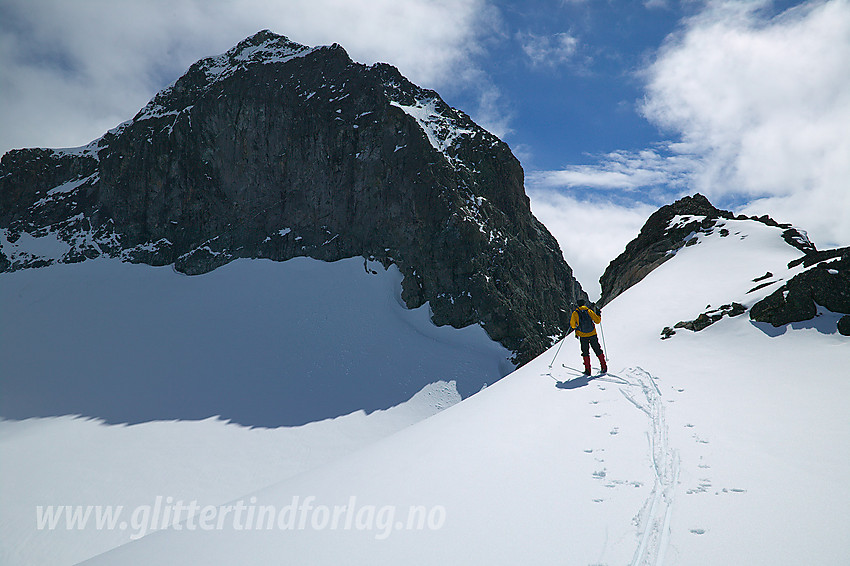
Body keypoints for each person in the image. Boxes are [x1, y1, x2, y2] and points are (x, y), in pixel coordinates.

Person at [570, 299, 607, 375]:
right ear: (584, 304)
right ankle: (603, 367)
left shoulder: (575, 313)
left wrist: (577, 326)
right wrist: (598, 314)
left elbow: (573, 325)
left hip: (583, 336)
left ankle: (588, 370)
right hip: (592, 334)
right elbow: (597, 321)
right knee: (597, 349)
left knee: (585, 352)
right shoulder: (589, 311)